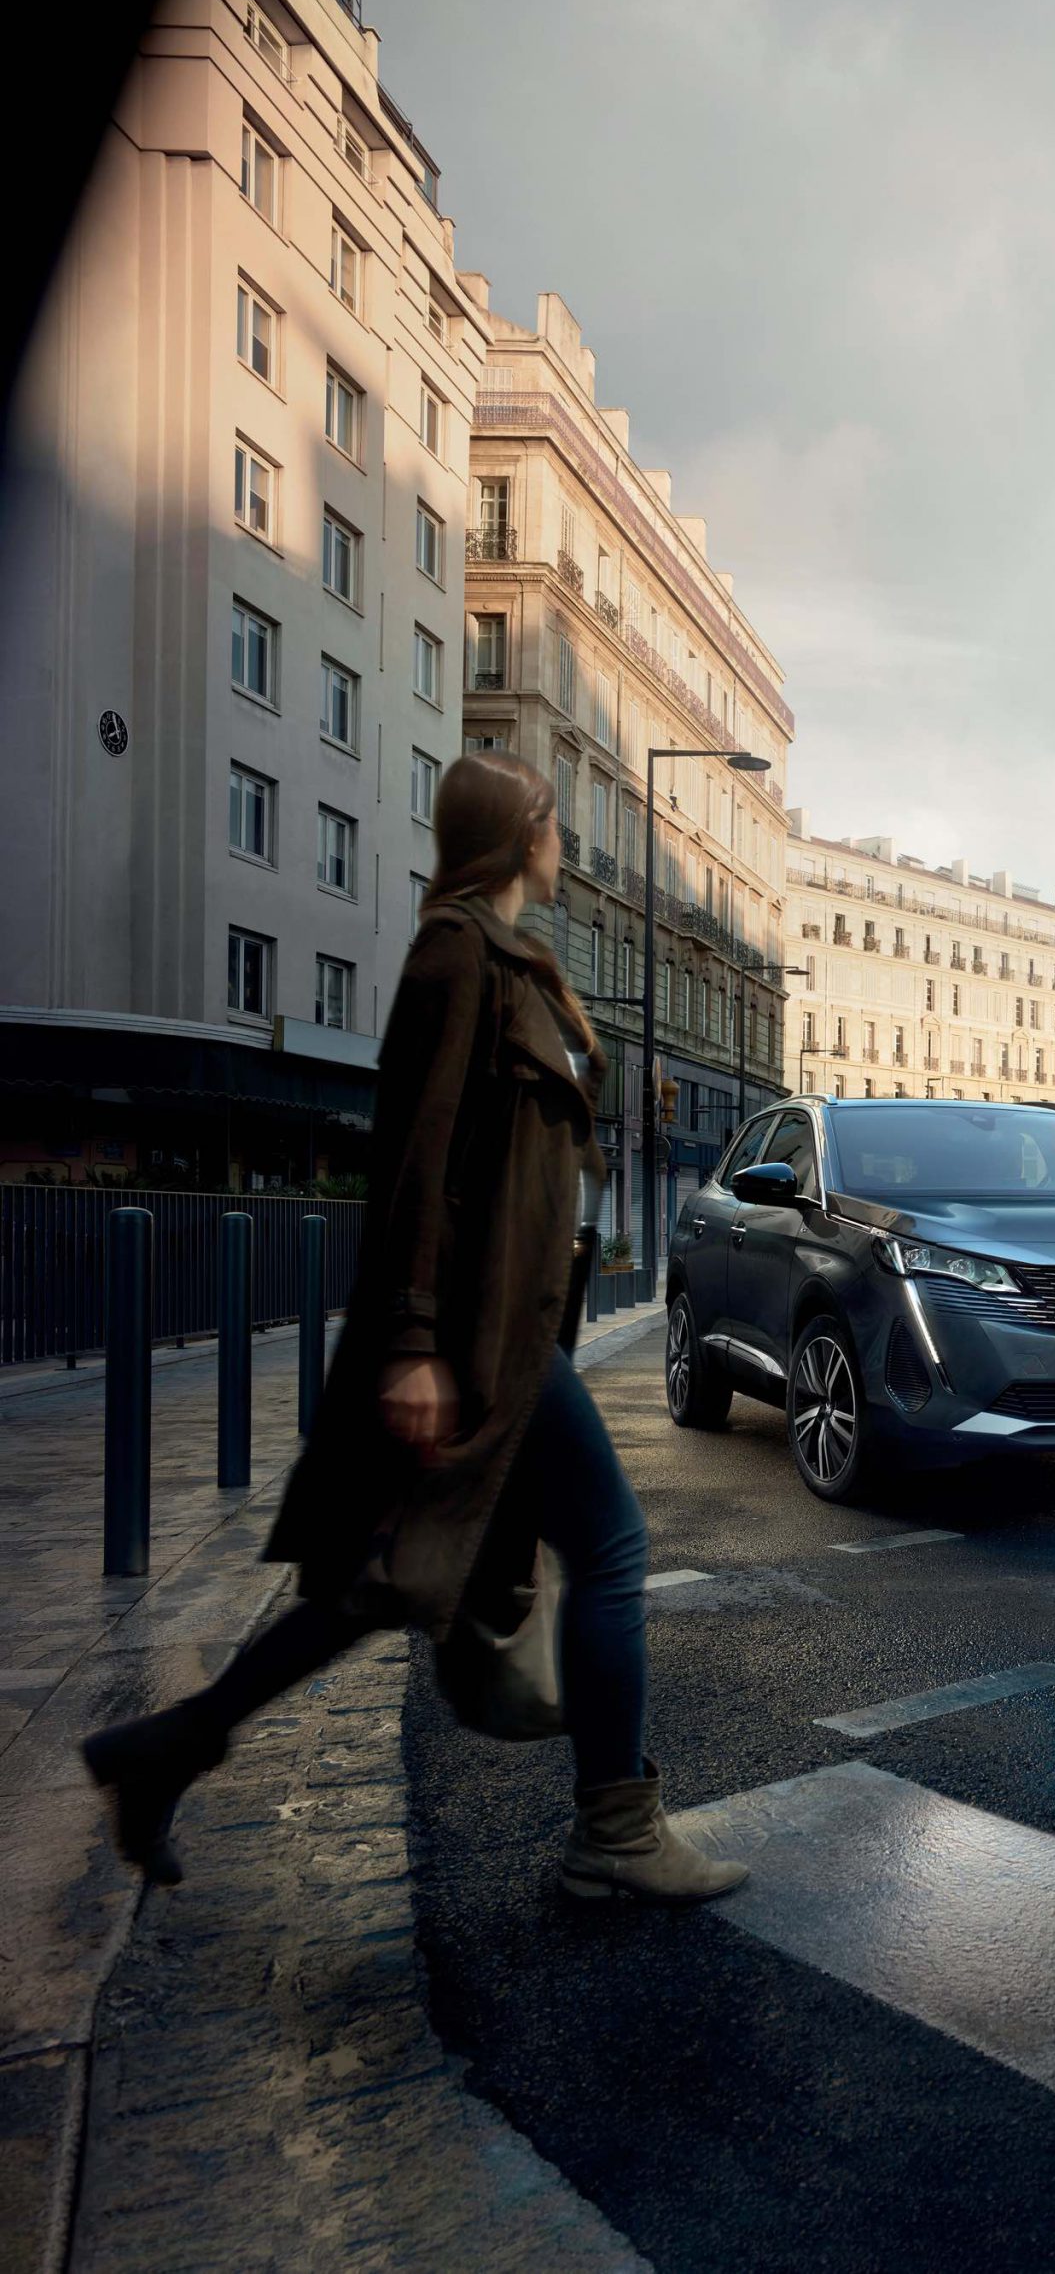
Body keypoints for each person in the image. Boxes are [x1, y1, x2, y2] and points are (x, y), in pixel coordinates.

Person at [83, 753, 744, 1906]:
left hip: (511, 1326)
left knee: (381, 1575)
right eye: (548, 815)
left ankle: (170, 1743)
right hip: (485, 1339)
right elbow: (412, 1162)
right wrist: (410, 1341)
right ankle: (617, 1826)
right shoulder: (455, 956)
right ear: (521, 831)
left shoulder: (512, 958)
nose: (559, 833)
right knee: (610, 1548)